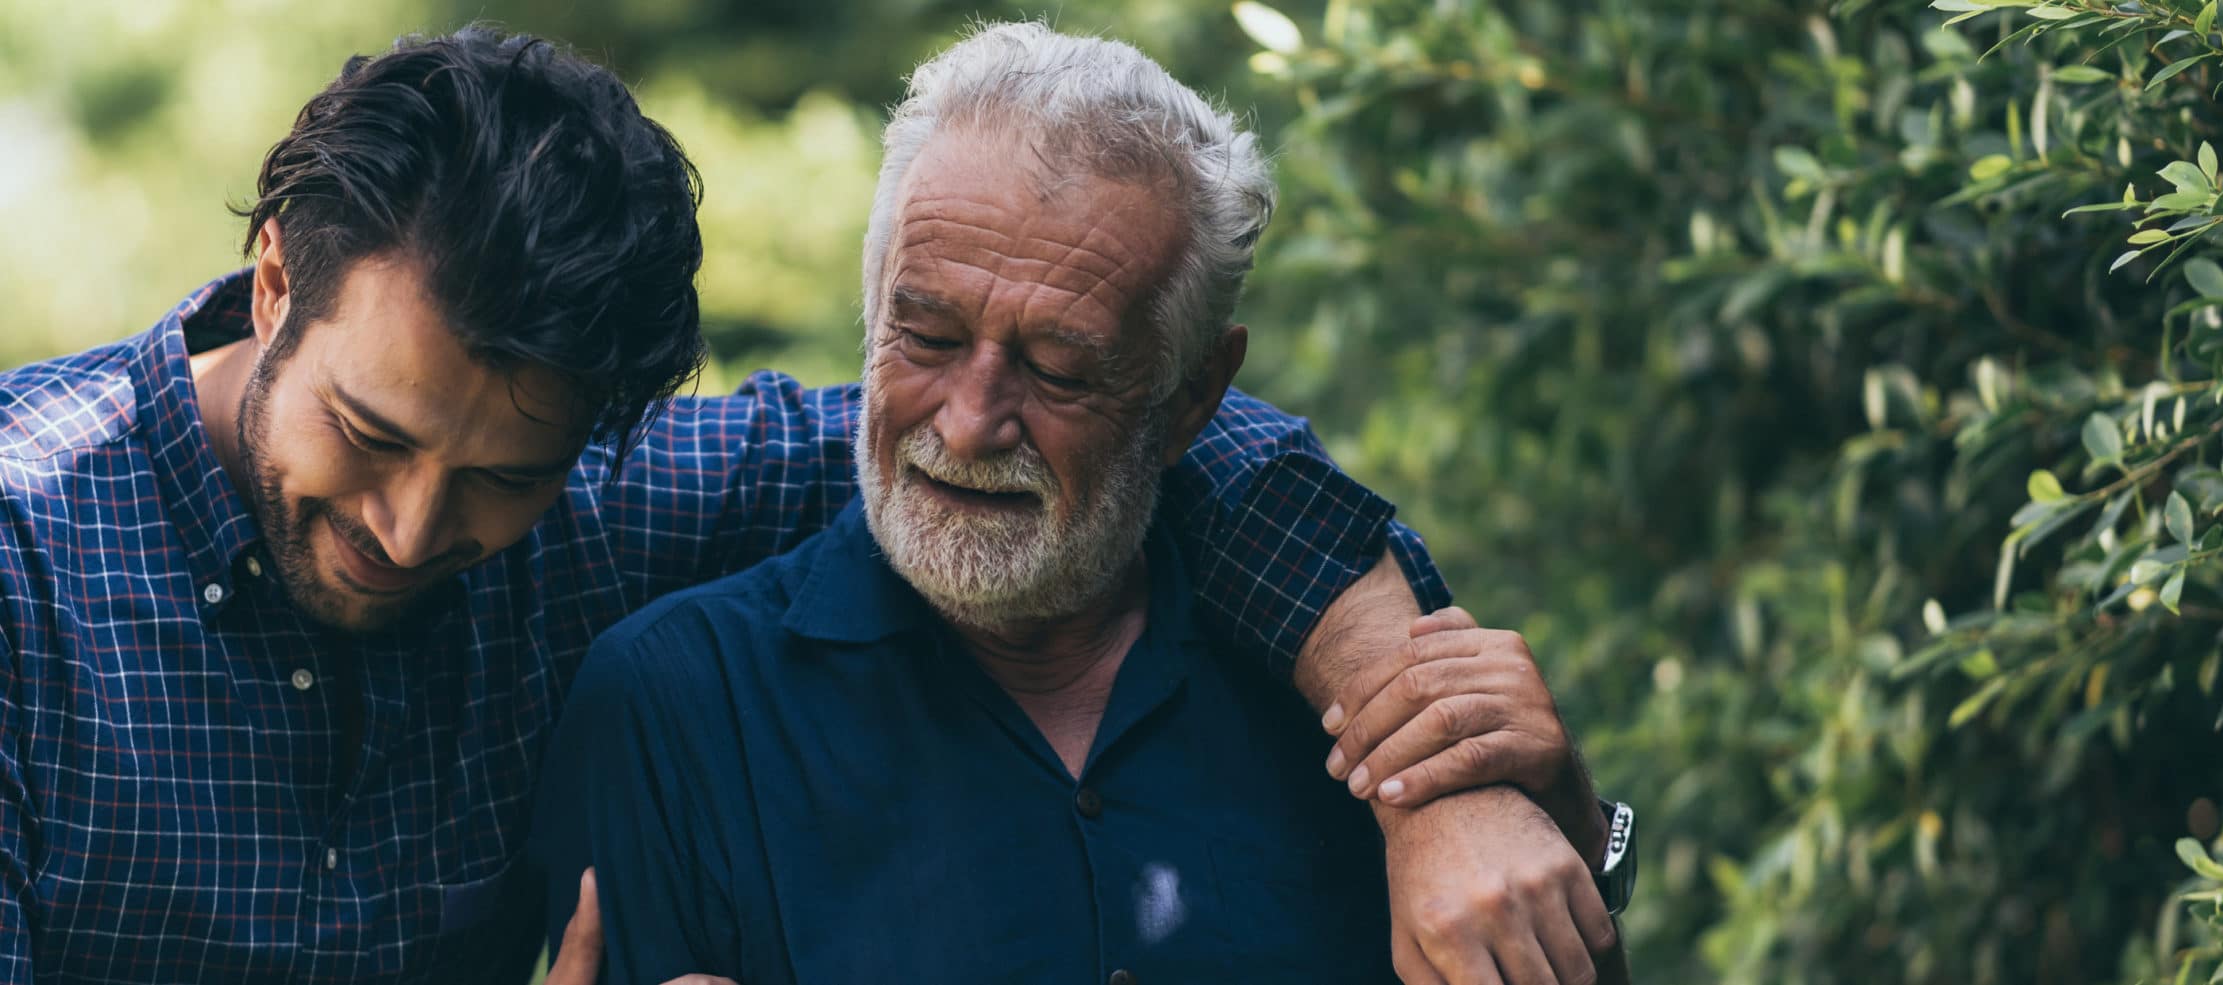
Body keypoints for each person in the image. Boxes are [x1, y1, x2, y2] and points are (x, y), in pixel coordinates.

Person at [0, 25, 1613, 985]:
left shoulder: (617, 504)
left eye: (503, 476)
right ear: (274, 279)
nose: (420, 530)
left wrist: (1434, 767)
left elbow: (1169, 447)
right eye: (370, 433)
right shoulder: (25, 559)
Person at [532, 22, 1625, 985]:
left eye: (1058, 370)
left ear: (1194, 392)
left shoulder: (1364, 677)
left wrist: (1562, 833)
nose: (967, 423)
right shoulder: (673, 705)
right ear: (869, 314)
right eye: (927, 336)